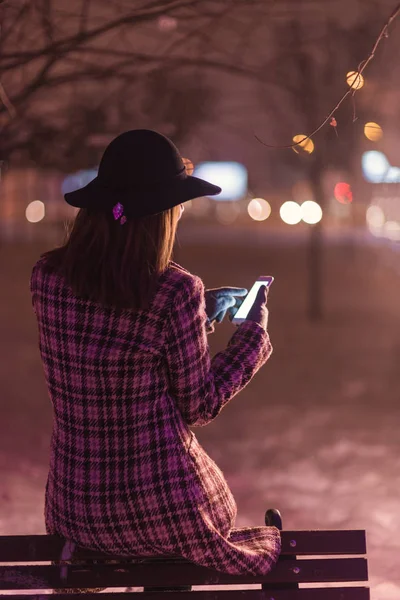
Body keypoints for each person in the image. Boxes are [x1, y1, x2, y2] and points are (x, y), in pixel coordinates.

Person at [30, 129, 281, 579]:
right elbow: (199, 404)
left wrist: (196, 316)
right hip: (164, 511)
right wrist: (251, 337)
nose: (180, 215)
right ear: (160, 215)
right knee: (190, 532)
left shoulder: (47, 278)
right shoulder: (175, 291)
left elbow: (108, 337)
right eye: (177, 206)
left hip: (78, 510)